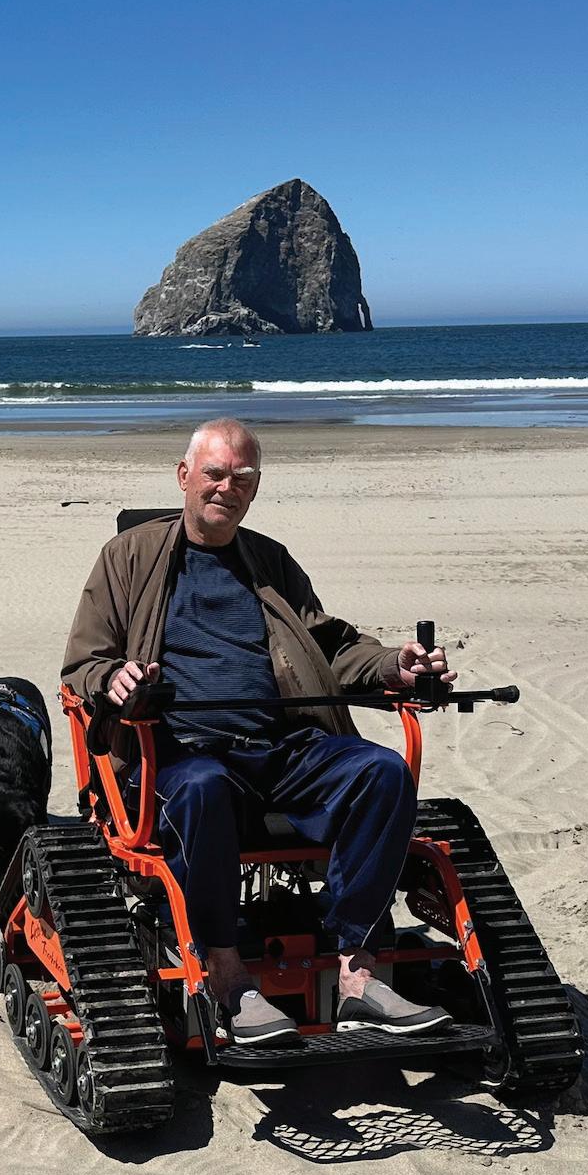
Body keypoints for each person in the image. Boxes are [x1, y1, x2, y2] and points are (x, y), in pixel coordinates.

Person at [62, 417, 454, 1046]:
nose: (226, 488)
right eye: (214, 474)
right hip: (176, 756)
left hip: (282, 748)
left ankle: (357, 975)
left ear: (256, 487)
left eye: (241, 478)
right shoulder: (128, 557)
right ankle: (228, 975)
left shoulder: (269, 561)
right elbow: (83, 664)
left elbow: (331, 647)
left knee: (381, 772)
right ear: (185, 476)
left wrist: (394, 667)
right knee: (205, 787)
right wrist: (115, 679)